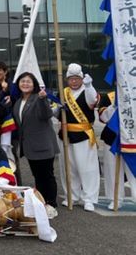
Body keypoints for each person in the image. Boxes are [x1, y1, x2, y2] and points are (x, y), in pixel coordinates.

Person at [12, 72, 59, 218]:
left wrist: (43, 99)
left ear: (34, 85)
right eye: (22, 81)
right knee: (38, 176)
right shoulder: (18, 102)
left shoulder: (38, 98)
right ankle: (41, 202)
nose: (25, 84)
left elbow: (46, 114)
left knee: (47, 175)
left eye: (28, 81)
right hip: (29, 146)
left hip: (43, 144)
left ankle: (51, 204)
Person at [57, 63, 100, 211]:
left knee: (87, 168)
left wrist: (89, 86)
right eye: (71, 79)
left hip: (83, 134)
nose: (74, 81)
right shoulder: (63, 92)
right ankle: (72, 195)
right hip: (65, 134)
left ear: (82, 79)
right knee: (69, 168)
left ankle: (89, 198)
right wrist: (57, 109)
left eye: (77, 78)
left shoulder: (87, 90)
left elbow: (92, 101)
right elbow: (55, 113)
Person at [98, 91, 136, 210]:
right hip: (112, 139)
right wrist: (114, 106)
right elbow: (103, 118)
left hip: (132, 140)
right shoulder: (108, 97)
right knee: (112, 170)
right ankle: (115, 199)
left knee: (133, 170)